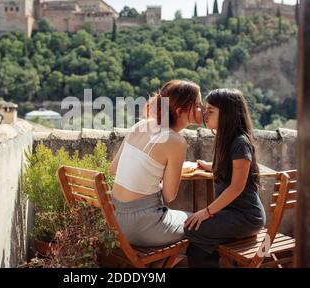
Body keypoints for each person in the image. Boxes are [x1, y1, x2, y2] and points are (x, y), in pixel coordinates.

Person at [109, 79, 204, 247]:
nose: (202, 109)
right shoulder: (176, 141)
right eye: (197, 105)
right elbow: (169, 196)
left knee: (192, 218)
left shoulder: (141, 126)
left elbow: (113, 169)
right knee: (201, 222)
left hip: (117, 223)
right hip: (144, 225)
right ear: (180, 111)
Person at [184, 88, 266, 267]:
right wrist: (212, 167)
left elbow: (236, 186)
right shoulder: (225, 140)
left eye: (211, 110)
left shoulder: (240, 143)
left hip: (246, 217)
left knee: (190, 228)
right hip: (230, 214)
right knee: (198, 246)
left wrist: (206, 212)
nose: (205, 114)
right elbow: (230, 171)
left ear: (227, 114)